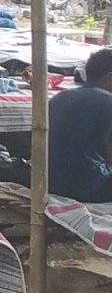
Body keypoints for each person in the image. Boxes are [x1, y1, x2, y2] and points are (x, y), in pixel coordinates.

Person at [45, 48, 112, 205]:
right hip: (88, 187)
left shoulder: (59, 98)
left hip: (49, 182)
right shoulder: (108, 103)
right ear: (110, 78)